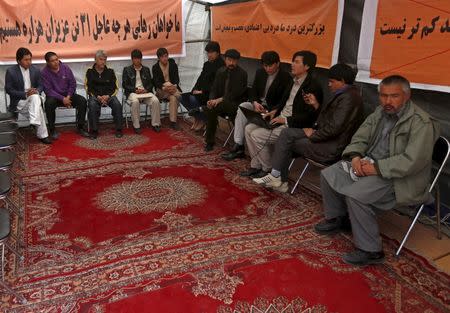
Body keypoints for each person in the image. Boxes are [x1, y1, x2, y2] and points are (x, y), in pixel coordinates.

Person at [314, 75, 440, 266]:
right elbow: (360, 138)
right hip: (369, 164)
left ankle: (371, 250)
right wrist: (355, 156)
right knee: (330, 174)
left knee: (356, 196)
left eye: (394, 96)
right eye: (383, 95)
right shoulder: (379, 113)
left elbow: (412, 161)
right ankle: (340, 218)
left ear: (407, 96)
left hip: (399, 177)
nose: (387, 101)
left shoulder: (421, 123)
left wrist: (377, 168)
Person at [253, 63, 364, 192]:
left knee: (287, 141)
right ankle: (276, 177)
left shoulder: (349, 98)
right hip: (323, 135)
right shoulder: (345, 94)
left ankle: (278, 178)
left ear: (343, 81)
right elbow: (329, 120)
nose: (328, 85)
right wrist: (316, 105)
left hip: (331, 146)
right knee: (286, 134)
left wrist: (313, 134)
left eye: (332, 82)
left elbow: (334, 128)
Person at [240, 50, 323, 179]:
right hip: (279, 118)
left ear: (307, 66)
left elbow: (310, 117)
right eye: (293, 61)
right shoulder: (293, 81)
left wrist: (285, 120)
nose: (292, 64)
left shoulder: (313, 87)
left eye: (296, 62)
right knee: (248, 128)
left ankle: (268, 169)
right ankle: (256, 165)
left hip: (292, 125)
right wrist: (274, 112)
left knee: (257, 135)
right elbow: (283, 103)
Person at [221, 50, 291, 161]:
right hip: (258, 105)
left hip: (272, 110)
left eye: (270, 66)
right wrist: (255, 102)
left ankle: (242, 149)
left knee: (250, 127)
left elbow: (284, 100)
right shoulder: (260, 72)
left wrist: (272, 110)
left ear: (278, 64)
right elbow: (253, 91)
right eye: (265, 66)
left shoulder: (285, 77)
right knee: (242, 107)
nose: (267, 69)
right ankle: (238, 144)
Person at [204, 48, 248, 151]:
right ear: (225, 59)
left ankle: (202, 109)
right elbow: (214, 89)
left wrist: (218, 100)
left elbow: (235, 94)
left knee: (213, 107)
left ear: (237, 61)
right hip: (220, 103)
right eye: (229, 60)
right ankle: (209, 142)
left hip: (235, 105)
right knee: (211, 108)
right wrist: (211, 100)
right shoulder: (221, 71)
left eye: (234, 60)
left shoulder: (242, 74)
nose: (231, 63)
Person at [5, 47, 51, 144]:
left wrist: (36, 91)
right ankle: (42, 134)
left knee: (35, 97)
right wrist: (25, 94)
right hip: (19, 101)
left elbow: (41, 85)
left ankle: (34, 121)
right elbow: (9, 89)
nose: (29, 62)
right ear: (18, 60)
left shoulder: (35, 70)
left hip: (33, 99)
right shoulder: (11, 71)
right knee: (38, 109)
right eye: (26, 60)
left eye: (30, 59)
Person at [41, 51, 90, 139]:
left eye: (56, 59)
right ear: (48, 63)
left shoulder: (65, 68)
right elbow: (48, 91)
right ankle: (52, 130)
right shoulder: (44, 72)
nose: (56, 62)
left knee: (82, 101)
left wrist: (68, 97)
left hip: (68, 95)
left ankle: (81, 127)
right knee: (48, 104)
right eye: (52, 61)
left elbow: (73, 84)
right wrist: (62, 98)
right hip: (54, 97)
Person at [184, 41, 225, 132]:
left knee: (192, 99)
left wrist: (202, 91)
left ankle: (203, 120)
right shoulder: (207, 64)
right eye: (208, 53)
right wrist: (195, 88)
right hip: (202, 91)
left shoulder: (221, 66)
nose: (209, 55)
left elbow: (216, 85)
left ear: (217, 53)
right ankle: (198, 118)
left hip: (212, 94)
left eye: (211, 52)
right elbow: (200, 78)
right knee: (183, 97)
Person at [85, 50, 123, 139]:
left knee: (117, 104)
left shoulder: (110, 71)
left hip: (108, 96)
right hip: (95, 96)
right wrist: (97, 96)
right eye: (101, 59)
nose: (103, 62)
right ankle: (94, 130)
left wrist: (108, 96)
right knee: (92, 105)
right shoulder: (90, 72)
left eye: (104, 59)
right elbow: (88, 87)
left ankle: (119, 129)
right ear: (95, 60)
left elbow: (115, 87)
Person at [122, 49, 161, 134]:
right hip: (133, 93)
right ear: (132, 59)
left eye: (139, 58)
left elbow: (151, 83)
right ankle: (136, 126)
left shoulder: (146, 69)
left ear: (141, 59)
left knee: (155, 100)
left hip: (145, 93)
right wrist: (135, 90)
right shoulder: (127, 70)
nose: (137, 60)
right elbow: (125, 85)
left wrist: (146, 89)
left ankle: (156, 124)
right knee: (135, 102)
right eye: (135, 59)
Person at [152, 47, 182, 130]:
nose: (165, 58)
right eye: (162, 57)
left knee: (173, 98)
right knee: (169, 87)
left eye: (166, 56)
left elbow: (176, 78)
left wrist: (174, 86)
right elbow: (156, 82)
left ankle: (173, 122)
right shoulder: (155, 67)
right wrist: (165, 87)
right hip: (161, 90)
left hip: (172, 89)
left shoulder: (173, 64)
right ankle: (179, 95)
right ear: (159, 58)